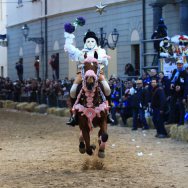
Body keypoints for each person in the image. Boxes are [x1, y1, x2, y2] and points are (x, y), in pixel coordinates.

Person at [64, 30, 114, 126]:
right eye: (88, 41)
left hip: (98, 73)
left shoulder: (100, 51)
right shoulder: (81, 52)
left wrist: (100, 60)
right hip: (82, 74)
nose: (90, 43)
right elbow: (70, 49)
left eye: (92, 41)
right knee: (73, 90)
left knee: (107, 89)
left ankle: (109, 112)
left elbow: (104, 59)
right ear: (85, 42)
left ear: (95, 42)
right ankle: (73, 114)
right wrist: (68, 36)